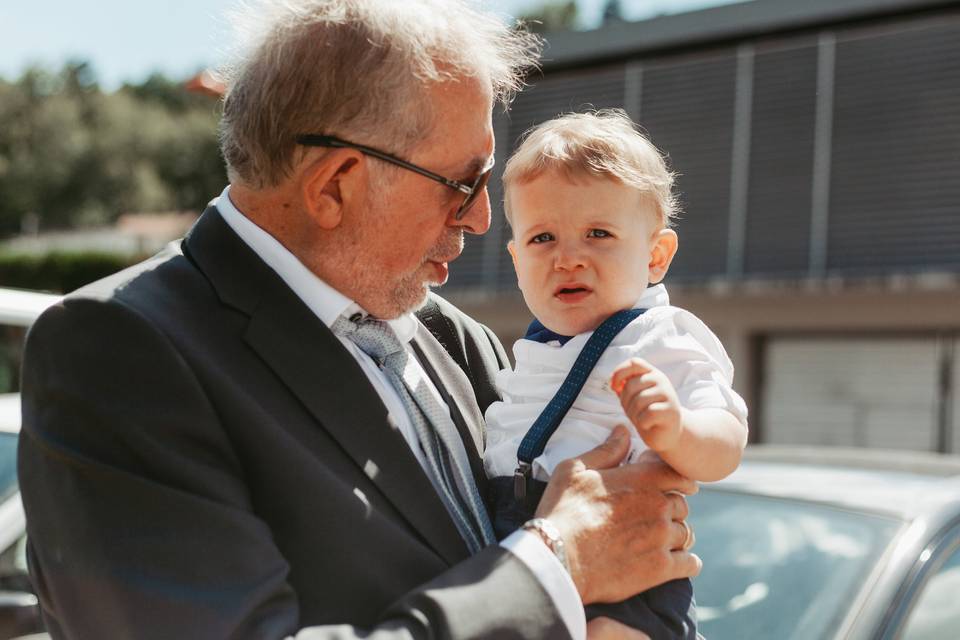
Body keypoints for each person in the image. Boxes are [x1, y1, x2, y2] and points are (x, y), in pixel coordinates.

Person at [17, 3, 701, 639]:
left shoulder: (456, 342)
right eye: (464, 183)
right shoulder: (118, 352)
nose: (482, 218)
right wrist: (557, 562)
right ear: (335, 184)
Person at [484, 111, 750, 638]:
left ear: (656, 256)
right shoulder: (534, 351)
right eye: (543, 239)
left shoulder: (661, 334)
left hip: (627, 575)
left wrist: (677, 430)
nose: (568, 259)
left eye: (597, 233)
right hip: (522, 549)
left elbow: (728, 442)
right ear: (516, 261)